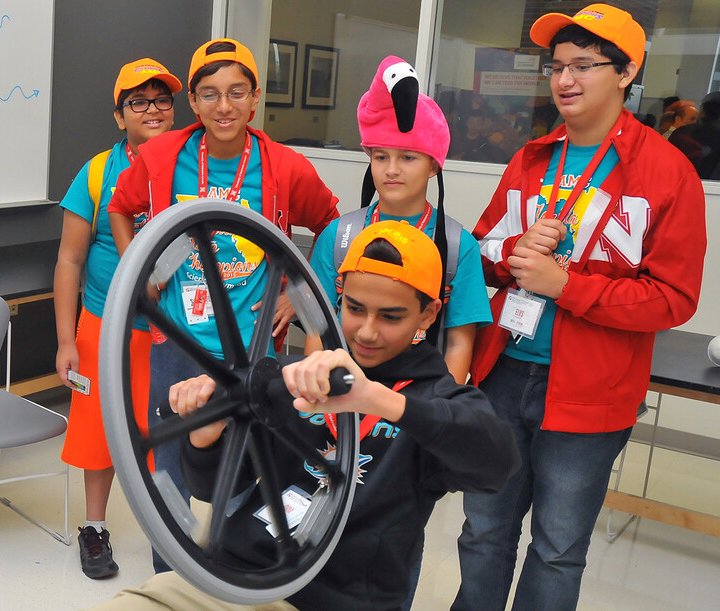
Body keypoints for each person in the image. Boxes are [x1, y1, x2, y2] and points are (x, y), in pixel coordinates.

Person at [89, 221, 519, 610]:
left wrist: (375, 400)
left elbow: (497, 464)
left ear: (428, 314)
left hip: (336, 601)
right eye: (354, 308)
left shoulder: (439, 399)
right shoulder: (299, 379)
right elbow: (212, 487)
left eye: (391, 317)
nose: (367, 331)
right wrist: (207, 431)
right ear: (338, 296)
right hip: (230, 579)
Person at [454, 5, 706, 610]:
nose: (565, 80)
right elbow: (483, 251)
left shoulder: (668, 174)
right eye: (556, 67)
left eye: (584, 66)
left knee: (557, 548)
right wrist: (514, 253)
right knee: (483, 532)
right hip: (504, 373)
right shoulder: (530, 159)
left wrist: (567, 287)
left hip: (591, 394)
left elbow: (674, 298)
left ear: (625, 73)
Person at [106, 38, 340, 572]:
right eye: (209, 94)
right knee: (168, 459)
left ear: (255, 99)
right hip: (177, 338)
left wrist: (293, 296)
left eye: (237, 92)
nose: (224, 106)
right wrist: (137, 269)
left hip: (250, 347)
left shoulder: (284, 167)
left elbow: (330, 229)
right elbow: (121, 208)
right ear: (192, 101)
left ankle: (234, 565)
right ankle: (170, 570)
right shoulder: (163, 155)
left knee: (243, 461)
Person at [53, 58, 182, 579]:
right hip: (103, 324)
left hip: (172, 329)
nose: (152, 110)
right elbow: (68, 260)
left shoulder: (192, 167)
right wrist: (66, 339)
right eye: (138, 101)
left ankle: (168, 532)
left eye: (161, 99)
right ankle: (94, 529)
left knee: (168, 430)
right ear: (119, 114)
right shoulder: (100, 171)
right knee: (97, 432)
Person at [310, 56, 492, 384]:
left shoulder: (456, 246)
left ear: (434, 165)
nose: (391, 169)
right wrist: (317, 399)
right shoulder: (339, 237)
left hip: (417, 404)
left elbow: (459, 343)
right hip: (344, 398)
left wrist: (436, 413)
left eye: (407, 157)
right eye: (381, 157)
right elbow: (317, 331)